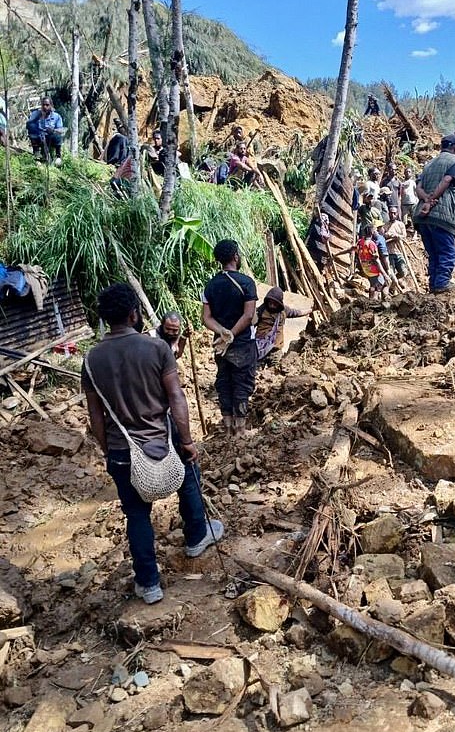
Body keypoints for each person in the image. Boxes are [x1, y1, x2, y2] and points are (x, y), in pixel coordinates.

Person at [82, 283, 223, 606]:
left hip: (122, 449)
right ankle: (196, 536)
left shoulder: (91, 360)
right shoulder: (156, 349)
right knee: (188, 479)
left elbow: (96, 418)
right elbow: (176, 397)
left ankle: (148, 584)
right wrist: (186, 440)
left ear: (104, 319)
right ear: (134, 314)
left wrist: (110, 452)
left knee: (136, 515)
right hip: (162, 438)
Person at [202, 239, 257, 436]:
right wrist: (232, 334)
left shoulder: (210, 286)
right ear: (235, 257)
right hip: (242, 344)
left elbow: (205, 318)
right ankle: (240, 430)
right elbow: (249, 315)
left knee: (224, 382)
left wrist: (222, 333)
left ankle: (227, 428)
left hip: (220, 346)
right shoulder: (246, 283)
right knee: (242, 383)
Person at [413, 134, 455, 294]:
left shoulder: (429, 164)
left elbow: (418, 187)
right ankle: (441, 284)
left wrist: (426, 199)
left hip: (422, 217)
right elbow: (446, 181)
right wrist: (432, 199)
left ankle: (434, 285)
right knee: (448, 252)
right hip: (442, 215)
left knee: (434, 253)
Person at [255, 287, 311, 364]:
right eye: (270, 302)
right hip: (260, 347)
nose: (272, 305)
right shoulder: (261, 310)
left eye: (275, 303)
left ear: (279, 303)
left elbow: (295, 313)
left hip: (276, 348)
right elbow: (251, 322)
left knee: (275, 367)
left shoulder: (284, 311)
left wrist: (309, 311)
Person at [356, 225, 390, 300]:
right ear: (372, 233)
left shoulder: (360, 242)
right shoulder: (371, 244)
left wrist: (337, 254)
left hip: (366, 268)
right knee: (381, 286)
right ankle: (373, 302)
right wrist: (385, 274)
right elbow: (376, 261)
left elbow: (352, 249)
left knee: (373, 285)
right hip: (373, 269)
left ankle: (372, 302)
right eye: (375, 231)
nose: (376, 232)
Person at [26, 97, 64, 165]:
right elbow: (29, 125)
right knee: (32, 128)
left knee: (57, 135)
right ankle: (37, 155)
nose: (45, 107)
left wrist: (53, 130)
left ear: (51, 106)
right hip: (39, 137)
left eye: (47, 105)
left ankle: (58, 156)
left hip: (50, 137)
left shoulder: (56, 116)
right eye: (43, 105)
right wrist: (38, 118)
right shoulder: (36, 114)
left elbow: (61, 130)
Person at [384, 206, 408, 281]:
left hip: (399, 252)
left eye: (394, 213)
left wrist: (397, 236)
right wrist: (391, 235)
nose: (392, 215)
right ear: (388, 214)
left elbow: (404, 236)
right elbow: (383, 235)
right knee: (391, 272)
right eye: (391, 213)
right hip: (389, 252)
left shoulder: (401, 225)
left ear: (397, 214)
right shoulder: (385, 225)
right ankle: (392, 287)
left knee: (403, 272)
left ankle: (395, 283)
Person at [400, 166, 418, 231]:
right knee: (404, 220)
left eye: (409, 172)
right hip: (404, 203)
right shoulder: (402, 183)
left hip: (412, 203)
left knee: (414, 219)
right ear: (404, 173)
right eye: (406, 172)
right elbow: (400, 193)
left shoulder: (413, 182)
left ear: (411, 173)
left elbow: (416, 192)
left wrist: (417, 200)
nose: (408, 173)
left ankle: (415, 233)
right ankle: (404, 233)